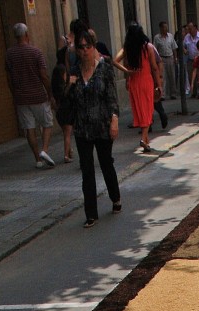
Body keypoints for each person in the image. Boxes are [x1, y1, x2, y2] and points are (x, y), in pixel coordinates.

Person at [67, 30, 121, 227]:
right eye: (80, 47)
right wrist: (69, 85)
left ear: (93, 47)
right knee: (87, 170)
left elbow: (112, 98)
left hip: (102, 125)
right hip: (82, 128)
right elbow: (67, 100)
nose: (84, 51)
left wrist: (114, 121)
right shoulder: (74, 71)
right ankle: (91, 214)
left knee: (106, 163)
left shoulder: (104, 68)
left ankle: (115, 197)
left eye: (88, 46)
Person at [5, 23, 54, 169]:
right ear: (27, 35)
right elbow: (43, 75)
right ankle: (44, 150)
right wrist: (49, 93)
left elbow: (8, 78)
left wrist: (14, 94)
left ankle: (37, 159)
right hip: (38, 96)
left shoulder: (9, 54)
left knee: (29, 128)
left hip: (21, 98)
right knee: (47, 123)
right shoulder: (36, 52)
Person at [115, 24, 159, 151]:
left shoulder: (127, 48)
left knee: (140, 110)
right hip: (146, 81)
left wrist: (127, 72)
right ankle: (144, 138)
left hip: (134, 82)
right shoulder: (147, 47)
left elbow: (115, 61)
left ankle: (146, 141)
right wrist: (159, 84)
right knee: (148, 110)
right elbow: (154, 67)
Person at [51, 47, 74, 162]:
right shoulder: (63, 69)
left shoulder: (56, 71)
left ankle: (69, 151)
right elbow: (65, 92)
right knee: (67, 133)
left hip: (59, 109)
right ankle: (66, 155)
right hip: (66, 108)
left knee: (66, 132)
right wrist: (70, 83)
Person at [153, 22, 177, 99]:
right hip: (161, 58)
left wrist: (175, 58)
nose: (166, 29)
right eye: (164, 27)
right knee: (162, 76)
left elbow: (174, 48)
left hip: (170, 57)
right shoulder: (157, 38)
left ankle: (173, 93)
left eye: (166, 27)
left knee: (172, 76)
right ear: (161, 28)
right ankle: (162, 94)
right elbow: (155, 50)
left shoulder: (170, 36)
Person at [183, 22, 199, 96]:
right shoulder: (187, 37)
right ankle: (193, 92)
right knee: (191, 76)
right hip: (190, 59)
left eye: (190, 28)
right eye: (188, 29)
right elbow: (183, 46)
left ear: (195, 28)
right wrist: (184, 50)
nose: (189, 30)